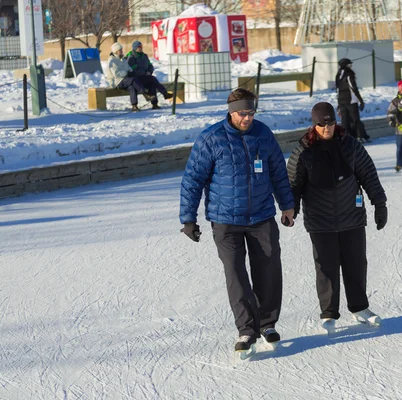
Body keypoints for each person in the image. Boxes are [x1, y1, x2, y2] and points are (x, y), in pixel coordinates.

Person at [179, 88, 296, 356]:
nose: (248, 118)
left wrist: (287, 205)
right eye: (243, 113)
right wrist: (188, 218)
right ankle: (246, 329)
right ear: (231, 112)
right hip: (225, 220)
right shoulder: (211, 139)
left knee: (268, 270)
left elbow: (278, 170)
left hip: (262, 216)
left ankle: (267, 324)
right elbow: (192, 180)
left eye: (251, 112)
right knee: (235, 274)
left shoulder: (263, 134)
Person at [287, 102, 388, 333]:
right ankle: (329, 313)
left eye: (330, 122)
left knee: (356, 264)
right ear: (314, 125)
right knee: (326, 268)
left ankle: (360, 308)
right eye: (321, 124)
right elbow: (293, 183)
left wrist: (379, 203)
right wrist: (291, 210)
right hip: (320, 220)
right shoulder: (303, 150)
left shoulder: (349, 145)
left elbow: (368, 174)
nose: (326, 128)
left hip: (351, 215)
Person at [126, 41, 173, 110]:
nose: (141, 48)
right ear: (135, 48)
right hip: (136, 79)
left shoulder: (144, 56)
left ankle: (154, 104)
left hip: (145, 77)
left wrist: (149, 71)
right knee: (152, 79)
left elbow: (150, 66)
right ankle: (164, 93)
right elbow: (132, 70)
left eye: (141, 46)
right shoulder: (131, 57)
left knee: (152, 84)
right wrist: (143, 73)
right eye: (139, 47)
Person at [335, 58, 371, 143]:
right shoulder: (349, 74)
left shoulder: (338, 74)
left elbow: (337, 89)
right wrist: (360, 100)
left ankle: (345, 137)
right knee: (355, 119)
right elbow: (353, 87)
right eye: (349, 64)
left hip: (341, 100)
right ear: (346, 65)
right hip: (351, 100)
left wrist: (339, 102)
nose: (351, 66)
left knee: (345, 120)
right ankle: (360, 136)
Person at [105, 42, 145, 112]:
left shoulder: (122, 59)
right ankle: (144, 92)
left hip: (125, 80)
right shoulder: (112, 61)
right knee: (133, 80)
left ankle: (134, 106)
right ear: (116, 51)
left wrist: (130, 71)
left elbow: (129, 68)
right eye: (120, 50)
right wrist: (126, 72)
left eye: (121, 50)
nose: (122, 51)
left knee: (132, 87)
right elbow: (116, 74)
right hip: (116, 82)